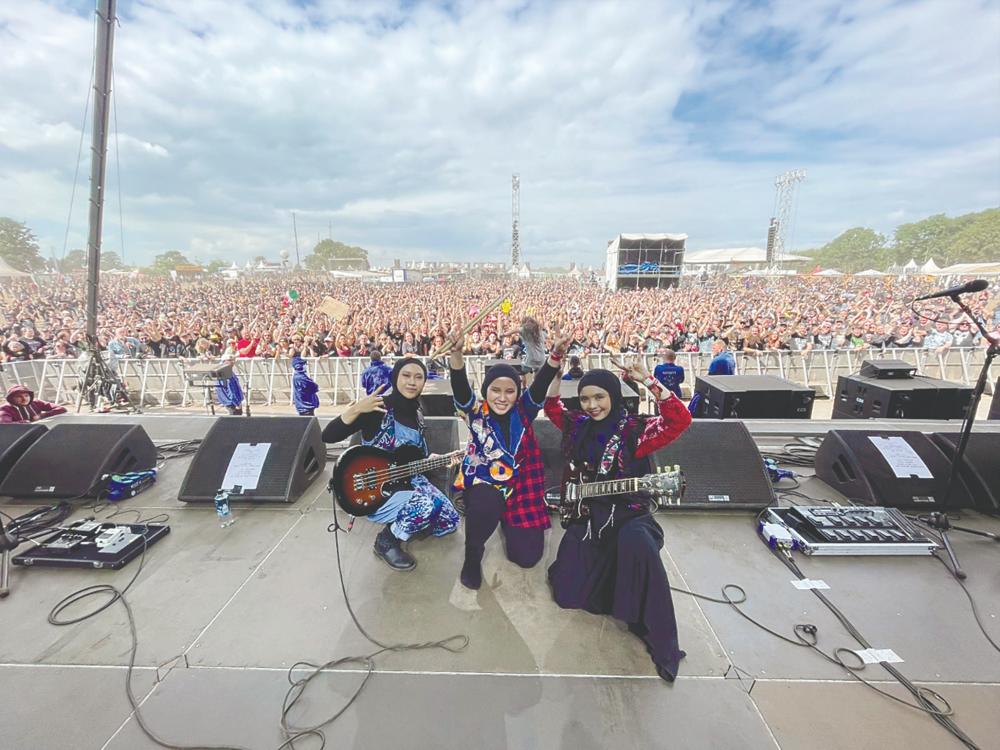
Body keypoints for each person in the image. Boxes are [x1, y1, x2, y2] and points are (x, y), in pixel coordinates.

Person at [543, 362, 692, 682]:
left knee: (638, 544)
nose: (592, 405)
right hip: (589, 516)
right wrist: (556, 378)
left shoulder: (636, 431)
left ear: (613, 396)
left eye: (599, 397)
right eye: (585, 399)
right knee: (567, 593)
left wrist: (650, 381)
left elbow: (680, 419)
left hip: (629, 514)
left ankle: (651, 626)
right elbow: (551, 406)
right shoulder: (577, 426)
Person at [448, 327, 571, 590]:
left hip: (521, 489)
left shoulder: (524, 410)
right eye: (495, 390)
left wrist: (556, 356)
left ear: (517, 393)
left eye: (509, 391)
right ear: (486, 391)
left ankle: (506, 520)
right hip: (486, 486)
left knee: (526, 558)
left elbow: (539, 387)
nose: (502, 398)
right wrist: (456, 357)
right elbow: (460, 391)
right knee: (486, 503)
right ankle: (473, 555)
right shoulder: (475, 412)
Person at [322, 358, 459, 571]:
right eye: (406, 375)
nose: (412, 382)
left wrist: (430, 460)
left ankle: (407, 517)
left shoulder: (418, 412)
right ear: (396, 378)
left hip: (406, 478)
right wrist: (356, 408)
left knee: (450, 521)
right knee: (425, 507)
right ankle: (387, 540)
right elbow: (328, 436)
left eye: (418, 377)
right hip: (375, 488)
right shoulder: (377, 408)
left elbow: (410, 456)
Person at [0, 384, 67, 423]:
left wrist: (41, 416)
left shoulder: (36, 403)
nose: (24, 399)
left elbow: (61, 409)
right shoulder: (5, 409)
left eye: (26, 395)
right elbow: (5, 424)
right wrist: (25, 422)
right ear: (11, 398)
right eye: (19, 397)